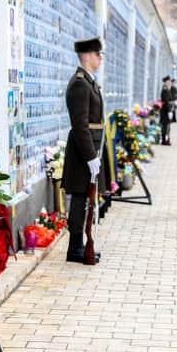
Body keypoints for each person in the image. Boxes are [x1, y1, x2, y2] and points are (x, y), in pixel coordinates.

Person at [60, 37, 105, 265]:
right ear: (86, 55)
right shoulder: (80, 83)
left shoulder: (89, 82)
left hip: (89, 150)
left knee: (84, 200)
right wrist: (90, 157)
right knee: (79, 199)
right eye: (97, 54)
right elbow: (80, 124)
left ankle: (78, 246)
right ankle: (75, 248)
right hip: (82, 152)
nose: (100, 58)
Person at [160, 76, 173, 145]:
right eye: (169, 81)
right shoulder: (165, 89)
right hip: (165, 111)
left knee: (167, 126)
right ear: (166, 82)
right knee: (165, 126)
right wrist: (169, 111)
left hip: (166, 110)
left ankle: (165, 139)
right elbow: (166, 101)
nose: (170, 82)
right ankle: (165, 140)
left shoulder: (167, 89)